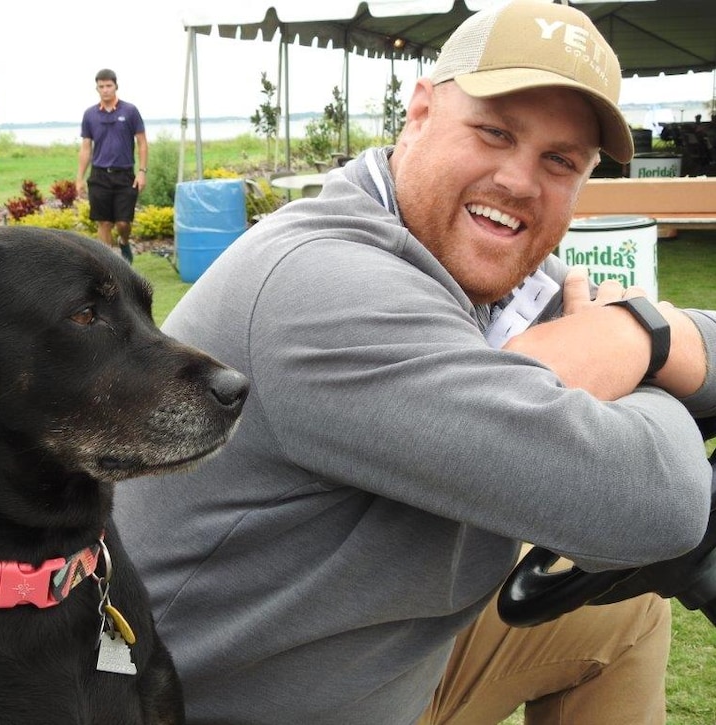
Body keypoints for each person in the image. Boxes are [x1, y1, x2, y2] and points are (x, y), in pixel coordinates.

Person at [114, 1, 716, 723]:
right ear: (421, 112)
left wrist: (635, 334)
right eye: (495, 132)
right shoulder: (325, 287)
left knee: (622, 620)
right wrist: (640, 341)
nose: (520, 182)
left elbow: (693, 340)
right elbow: (661, 503)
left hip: (360, 660)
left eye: (559, 161)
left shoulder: (482, 274)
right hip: (211, 701)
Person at [75, 68, 148, 263]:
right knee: (104, 222)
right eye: (101, 86)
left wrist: (142, 172)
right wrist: (79, 178)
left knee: (123, 223)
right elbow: (85, 148)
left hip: (125, 175)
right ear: (96, 88)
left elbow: (142, 142)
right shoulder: (90, 114)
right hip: (99, 175)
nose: (105, 90)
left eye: (109, 86)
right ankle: (108, 265)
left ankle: (124, 241)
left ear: (116, 86)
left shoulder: (130, 111)